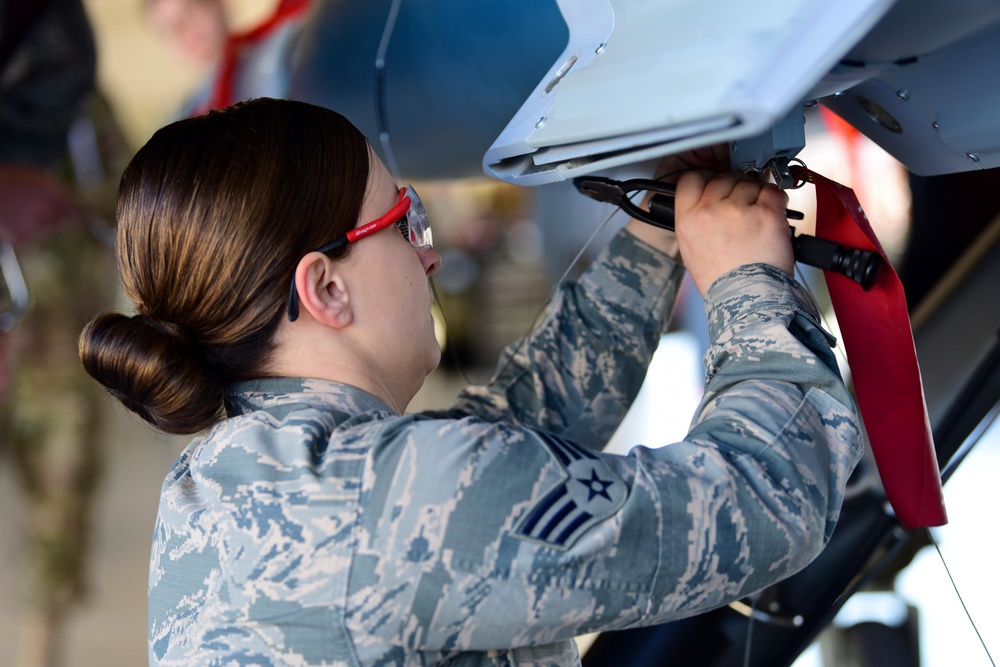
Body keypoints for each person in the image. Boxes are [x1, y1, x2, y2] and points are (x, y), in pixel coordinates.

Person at [78, 97, 862, 666]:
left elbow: (508, 437)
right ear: (325, 289)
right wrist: (749, 280)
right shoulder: (387, 502)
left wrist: (657, 227)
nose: (430, 254)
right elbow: (770, 498)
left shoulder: (232, 478)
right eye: (403, 221)